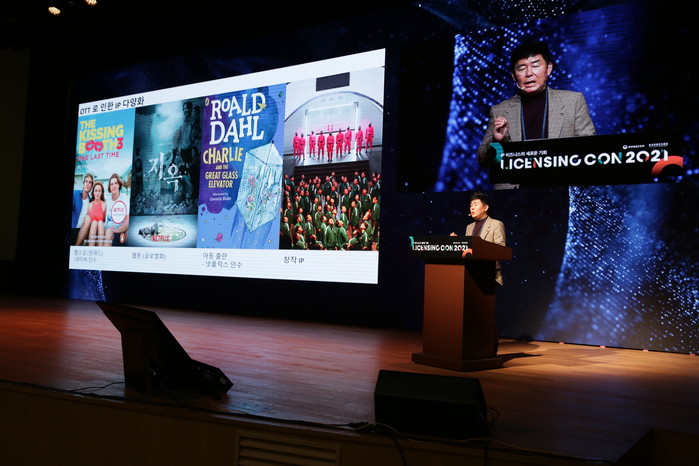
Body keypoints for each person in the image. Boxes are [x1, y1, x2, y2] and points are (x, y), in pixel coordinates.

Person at [477, 40, 596, 166]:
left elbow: (591, 148)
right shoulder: (499, 110)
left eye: (535, 66)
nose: (529, 73)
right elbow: (483, 160)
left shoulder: (573, 101)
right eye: (522, 68)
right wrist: (497, 142)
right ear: (514, 76)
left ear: (548, 69)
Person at [452, 191, 506, 286]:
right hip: (469, 272)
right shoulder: (469, 227)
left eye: (475, 204)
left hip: (488, 273)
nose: (472, 208)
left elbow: (501, 249)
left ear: (485, 208)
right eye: (471, 205)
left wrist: (481, 247)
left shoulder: (496, 224)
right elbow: (468, 250)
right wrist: (459, 242)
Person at [103, 173, 130, 246]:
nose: (113, 186)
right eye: (111, 184)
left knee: (129, 234)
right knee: (109, 232)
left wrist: (115, 230)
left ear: (119, 185)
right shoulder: (107, 200)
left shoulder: (124, 198)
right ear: (109, 187)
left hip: (121, 230)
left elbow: (127, 222)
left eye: (115, 183)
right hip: (110, 230)